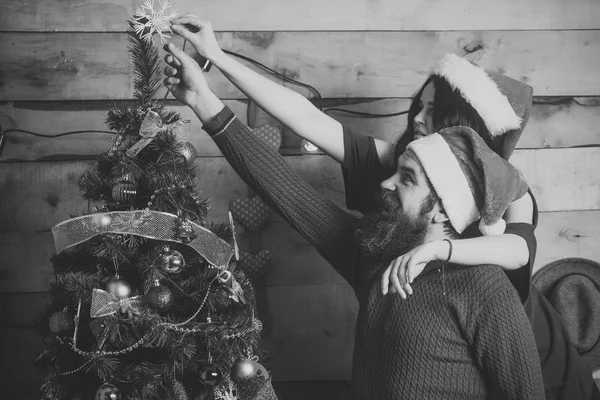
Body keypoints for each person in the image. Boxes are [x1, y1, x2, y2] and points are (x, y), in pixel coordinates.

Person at [166, 18, 600, 400]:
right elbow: (305, 142)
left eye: (435, 111)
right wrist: (211, 73)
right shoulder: (400, 187)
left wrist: (436, 252)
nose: (417, 120)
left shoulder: (502, 215)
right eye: (420, 106)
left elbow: (519, 251)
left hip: (548, 375)